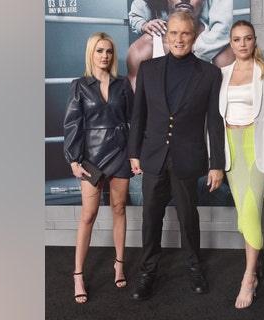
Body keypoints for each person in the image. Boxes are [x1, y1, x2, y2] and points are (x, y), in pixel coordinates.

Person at [127, 11, 225, 301]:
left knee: (187, 218)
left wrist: (216, 164)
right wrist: (134, 153)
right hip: (153, 156)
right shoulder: (148, 69)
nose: (179, 39)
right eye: (174, 33)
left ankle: (194, 268)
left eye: (185, 34)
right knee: (150, 218)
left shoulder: (210, 74)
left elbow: (215, 121)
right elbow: (139, 114)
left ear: (194, 38)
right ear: (166, 35)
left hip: (188, 158)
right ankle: (147, 273)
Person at [219, 20, 264, 309]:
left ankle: (249, 277)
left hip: (257, 147)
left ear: (254, 41)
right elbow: (215, 119)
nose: (242, 44)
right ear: (230, 42)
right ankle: (256, 261)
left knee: (250, 211)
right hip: (231, 149)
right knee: (244, 213)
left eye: (247, 38)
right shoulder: (223, 74)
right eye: (237, 39)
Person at [63, 32, 134, 303]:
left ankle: (119, 263)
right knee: (88, 215)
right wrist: (73, 159)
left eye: (109, 51)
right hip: (91, 158)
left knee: (119, 209)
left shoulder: (122, 84)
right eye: (99, 51)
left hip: (120, 152)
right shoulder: (79, 85)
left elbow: (133, 119)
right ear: (91, 53)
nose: (105, 56)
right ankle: (78, 275)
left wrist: (134, 154)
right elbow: (72, 124)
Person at [126, 0, 235, 91]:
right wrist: (142, 24)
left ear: (204, 2)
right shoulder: (143, 48)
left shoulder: (221, 51)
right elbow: (137, 107)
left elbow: (226, 103)